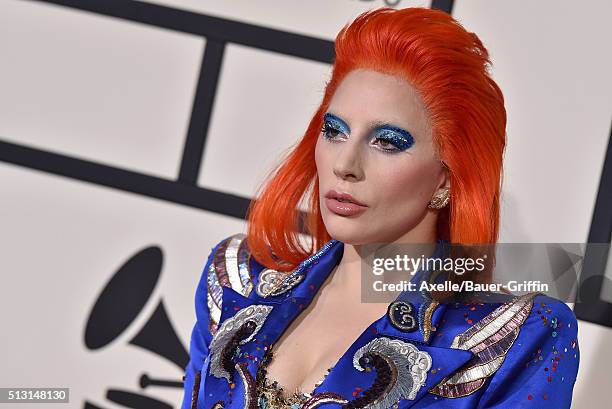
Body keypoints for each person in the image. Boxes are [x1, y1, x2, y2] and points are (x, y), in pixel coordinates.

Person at [181, 7, 580, 409]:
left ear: (445, 179)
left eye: (387, 142)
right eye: (334, 131)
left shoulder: (517, 337)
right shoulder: (237, 283)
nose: (344, 165)